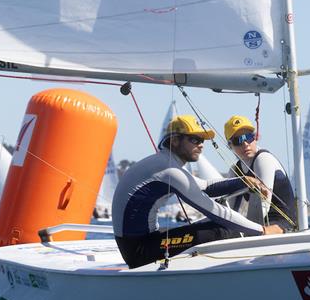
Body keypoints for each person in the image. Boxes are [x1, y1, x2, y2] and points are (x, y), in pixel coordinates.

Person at [112, 114, 282, 269]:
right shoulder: (169, 169)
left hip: (144, 242)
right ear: (174, 141)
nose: (201, 145)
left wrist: (242, 181)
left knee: (214, 226)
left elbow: (206, 186)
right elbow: (216, 211)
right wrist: (263, 231)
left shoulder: (165, 163)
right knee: (224, 230)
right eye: (194, 139)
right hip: (139, 251)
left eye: (203, 140)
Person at [224, 115, 298, 231]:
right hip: (261, 225)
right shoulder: (235, 169)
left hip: (283, 224)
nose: (245, 144)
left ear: (255, 137)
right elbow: (231, 210)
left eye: (248, 137)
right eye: (238, 140)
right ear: (230, 145)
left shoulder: (263, 159)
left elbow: (264, 205)